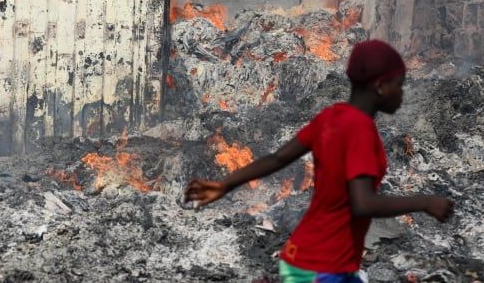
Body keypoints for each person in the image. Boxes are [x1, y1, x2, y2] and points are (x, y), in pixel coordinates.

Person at [183, 39, 454, 283]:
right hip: (320, 267)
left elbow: (278, 158)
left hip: (316, 259)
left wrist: (225, 184)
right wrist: (425, 202)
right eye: (399, 84)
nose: (402, 93)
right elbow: (363, 204)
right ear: (380, 86)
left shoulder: (332, 116)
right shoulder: (359, 129)